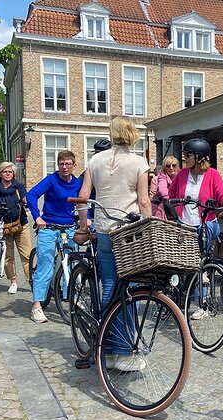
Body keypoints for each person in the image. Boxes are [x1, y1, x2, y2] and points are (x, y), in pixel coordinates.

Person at [77, 116, 151, 371]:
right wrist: (150, 227)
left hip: (105, 231)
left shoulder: (95, 160)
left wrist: (85, 226)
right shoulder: (139, 162)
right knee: (128, 290)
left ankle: (105, 349)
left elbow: (84, 196)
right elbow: (143, 202)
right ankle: (121, 352)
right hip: (128, 232)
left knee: (110, 283)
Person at [169, 138, 223, 320]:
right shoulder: (182, 174)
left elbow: (222, 193)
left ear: (199, 157)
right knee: (184, 265)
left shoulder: (212, 174)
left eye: (188, 155)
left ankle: (203, 303)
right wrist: (177, 209)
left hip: (205, 224)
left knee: (202, 267)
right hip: (185, 226)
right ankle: (180, 298)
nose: (185, 159)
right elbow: (172, 194)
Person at [26, 150, 82, 323]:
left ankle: (70, 297)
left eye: (67, 163)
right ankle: (37, 306)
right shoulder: (51, 180)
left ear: (74, 165)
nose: (64, 167)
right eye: (61, 163)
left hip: (70, 227)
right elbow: (31, 194)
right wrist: (37, 217)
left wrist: (86, 221)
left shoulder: (78, 183)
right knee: (45, 264)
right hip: (49, 226)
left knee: (71, 263)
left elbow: (84, 202)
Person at [0, 162, 31, 295]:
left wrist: (26, 200)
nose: (8, 174)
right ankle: (13, 281)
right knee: (7, 256)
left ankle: (31, 281)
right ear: (0, 174)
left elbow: (25, 197)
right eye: (5, 171)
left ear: (13, 174)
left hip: (21, 224)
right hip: (3, 226)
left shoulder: (18, 187)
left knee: (26, 254)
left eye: (10, 172)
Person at [150, 155, 179, 220]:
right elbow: (162, 190)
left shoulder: (180, 176)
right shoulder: (162, 176)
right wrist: (172, 198)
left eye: (173, 165)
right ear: (164, 168)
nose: (171, 168)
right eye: (168, 166)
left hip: (175, 207)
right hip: (161, 209)